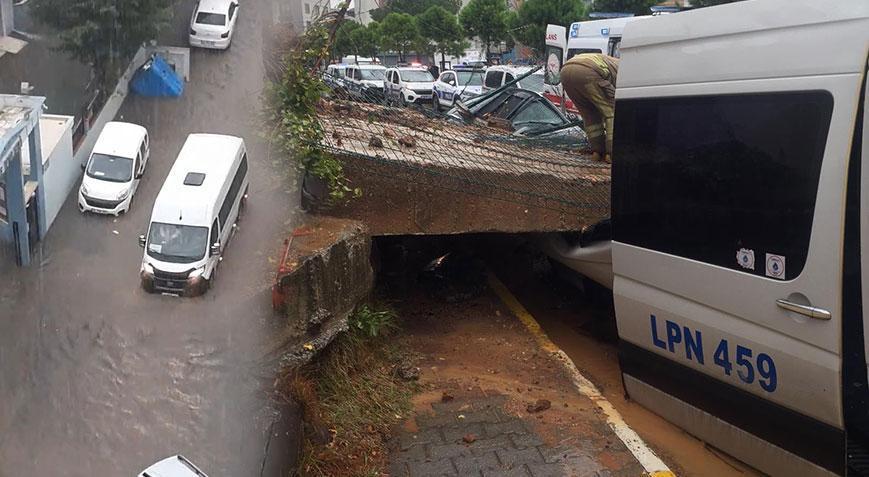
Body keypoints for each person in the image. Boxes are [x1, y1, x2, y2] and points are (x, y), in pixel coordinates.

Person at [560, 53, 619, 162]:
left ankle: (597, 151)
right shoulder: (624, 69)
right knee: (612, 112)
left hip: (565, 71)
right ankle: (612, 153)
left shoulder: (614, 62)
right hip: (588, 72)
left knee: (590, 115)